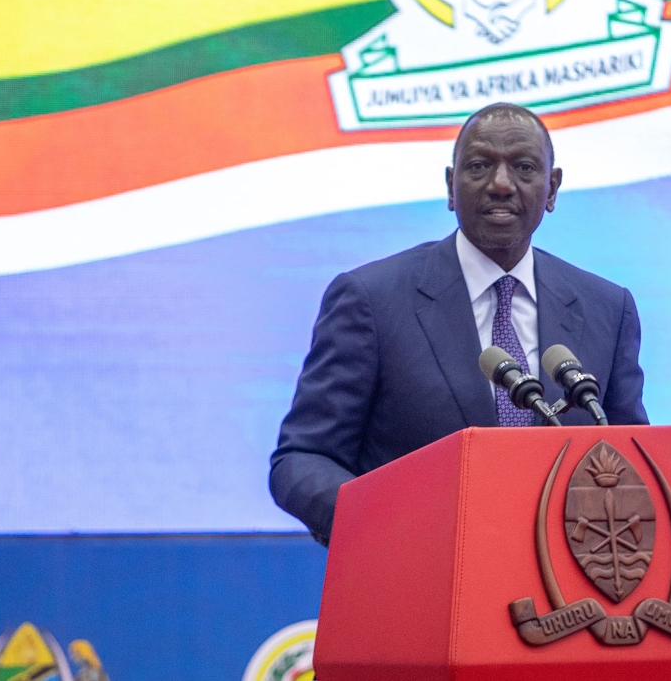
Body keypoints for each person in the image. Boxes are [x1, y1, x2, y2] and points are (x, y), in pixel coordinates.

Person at [269, 102, 648, 545]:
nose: (501, 184)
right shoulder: (371, 299)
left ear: (552, 189)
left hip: (565, 592)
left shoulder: (607, 307)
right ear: (452, 186)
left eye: (524, 167)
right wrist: (387, 528)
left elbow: (632, 458)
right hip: (416, 576)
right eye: (479, 166)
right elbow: (303, 458)